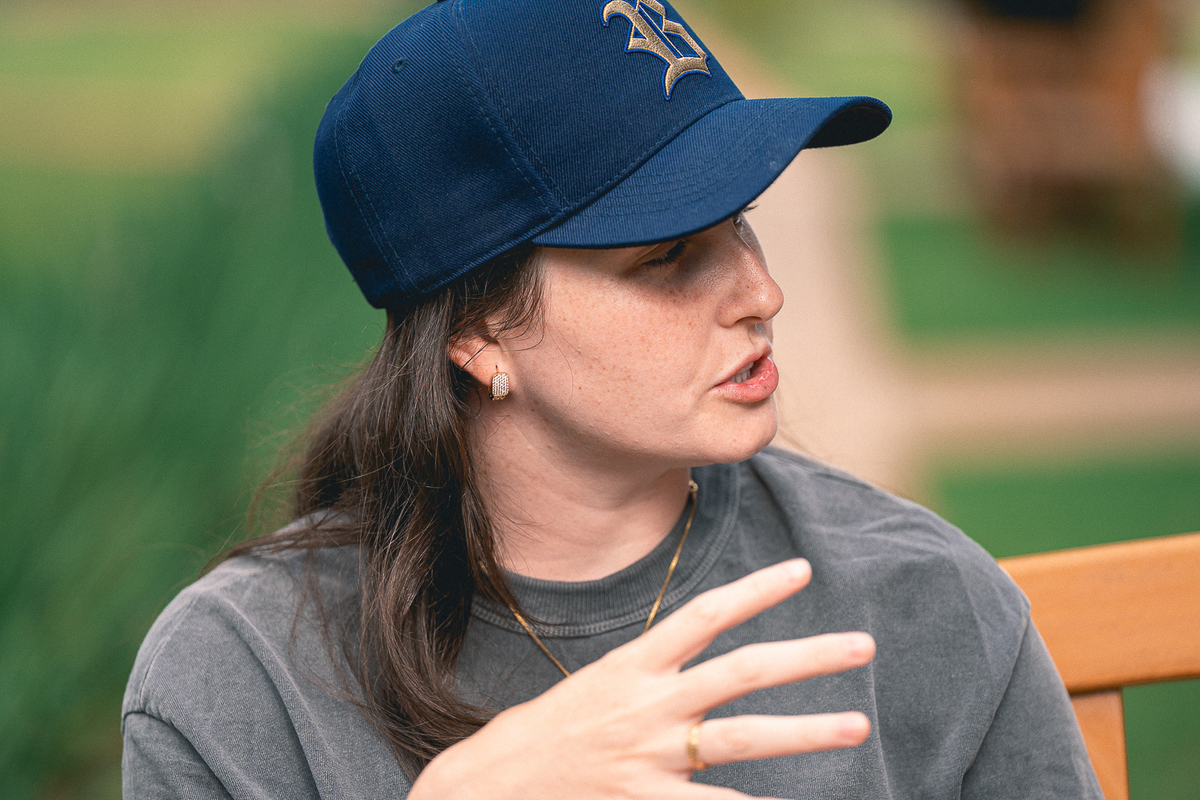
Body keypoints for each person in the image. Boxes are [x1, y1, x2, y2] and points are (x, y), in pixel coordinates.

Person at [121, 1, 1104, 797]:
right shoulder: (243, 679)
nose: (763, 292)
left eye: (740, 219)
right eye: (667, 254)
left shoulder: (923, 597)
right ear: (477, 332)